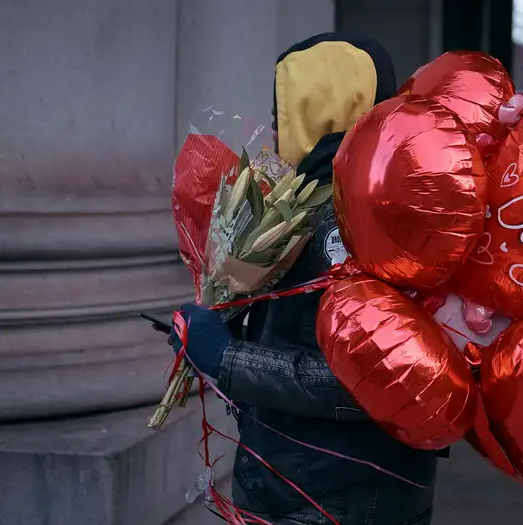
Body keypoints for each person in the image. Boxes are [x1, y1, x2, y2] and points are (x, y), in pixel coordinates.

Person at [171, 34, 441, 525]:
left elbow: (369, 379)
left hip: (331, 494)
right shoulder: (345, 197)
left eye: (282, 113)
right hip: (326, 484)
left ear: (316, 108)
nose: (274, 130)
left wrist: (228, 357)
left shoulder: (352, 218)